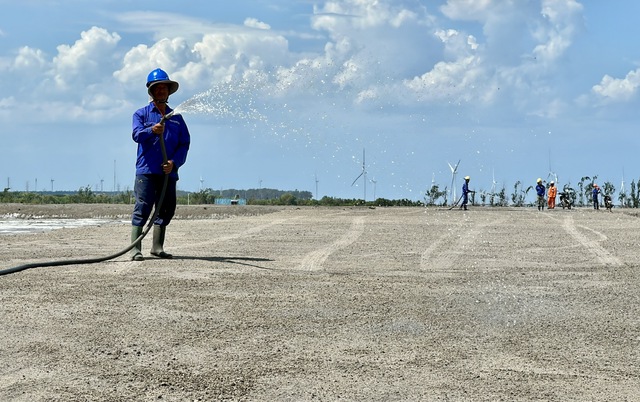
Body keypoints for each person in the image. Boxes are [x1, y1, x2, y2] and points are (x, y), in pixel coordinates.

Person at [130, 68, 191, 261]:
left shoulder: (177, 118)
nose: (161, 91)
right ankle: (135, 249)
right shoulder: (141, 114)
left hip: (168, 172)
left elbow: (184, 143)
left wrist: (174, 162)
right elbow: (136, 135)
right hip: (147, 171)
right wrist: (151, 130)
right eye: (158, 88)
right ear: (151, 91)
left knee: (166, 208)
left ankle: (157, 247)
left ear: (169, 91)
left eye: (165, 88)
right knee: (143, 206)